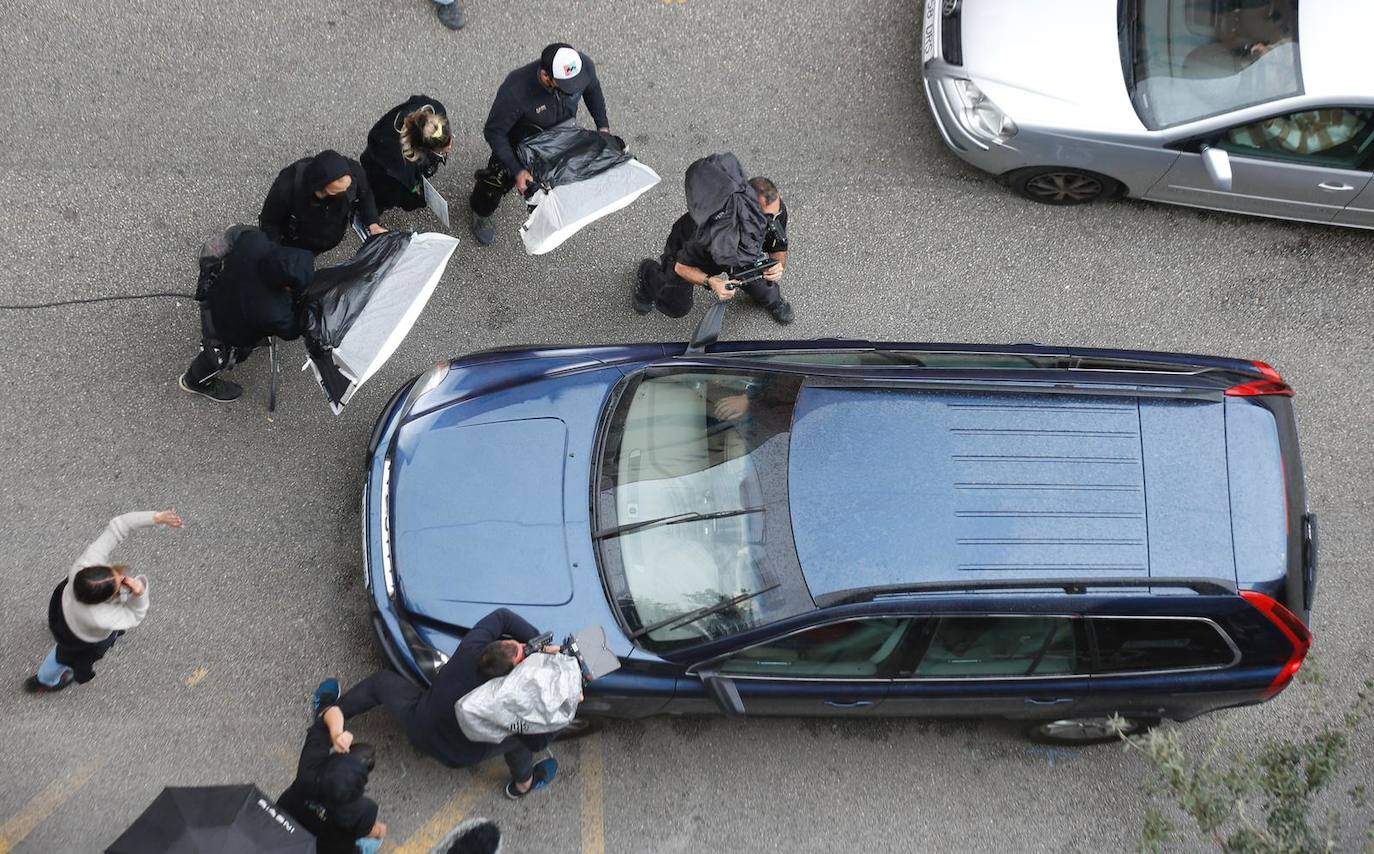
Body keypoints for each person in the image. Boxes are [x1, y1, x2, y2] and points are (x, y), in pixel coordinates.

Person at [327, 609, 561, 799]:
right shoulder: (510, 701)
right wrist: (543, 659)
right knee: (519, 744)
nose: (524, 648)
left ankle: (330, 713)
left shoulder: (471, 650)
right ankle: (523, 786)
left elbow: (502, 616)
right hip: (458, 755)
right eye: (523, 652)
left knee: (380, 683)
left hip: (419, 722)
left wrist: (532, 643)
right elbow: (539, 740)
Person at [25, 510, 185, 693]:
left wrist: (155, 517)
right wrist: (140, 591)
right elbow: (134, 614)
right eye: (120, 582)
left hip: (64, 607)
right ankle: (45, 681)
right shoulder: (101, 617)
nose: (124, 578)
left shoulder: (84, 564)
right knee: (62, 656)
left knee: (61, 646)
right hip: (81, 636)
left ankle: (46, 675)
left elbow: (119, 525)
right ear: (105, 599)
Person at [469, 43, 611, 245]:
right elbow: (494, 132)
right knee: (496, 181)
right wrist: (517, 170)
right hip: (520, 145)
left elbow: (592, 89)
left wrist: (602, 127)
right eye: (567, 87)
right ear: (546, 77)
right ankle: (480, 210)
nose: (574, 88)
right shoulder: (515, 90)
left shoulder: (581, 66)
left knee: (559, 179)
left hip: (560, 135)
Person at [634, 176, 794, 325]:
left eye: (775, 215)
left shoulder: (772, 211)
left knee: (763, 287)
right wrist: (711, 281)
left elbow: (778, 243)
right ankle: (647, 274)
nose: (772, 223)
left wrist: (777, 265)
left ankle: (772, 299)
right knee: (676, 307)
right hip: (694, 256)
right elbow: (681, 267)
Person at [179, 228, 314, 402]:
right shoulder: (275, 312)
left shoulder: (254, 241)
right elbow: (292, 331)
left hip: (214, 297)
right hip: (225, 331)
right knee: (216, 358)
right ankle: (195, 382)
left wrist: (205, 281)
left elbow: (218, 244)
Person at [277, 680, 387, 854]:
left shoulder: (309, 772)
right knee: (373, 842)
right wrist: (379, 830)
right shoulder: (362, 810)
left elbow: (330, 713)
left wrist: (336, 733)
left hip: (283, 823)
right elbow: (378, 831)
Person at [259, 150, 385, 255]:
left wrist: (373, 223)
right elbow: (269, 222)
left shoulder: (353, 173)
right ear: (322, 186)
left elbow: (365, 194)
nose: (346, 191)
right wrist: (277, 256)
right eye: (338, 191)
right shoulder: (287, 187)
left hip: (330, 236)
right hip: (298, 241)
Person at [360, 96, 454, 214]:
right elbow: (403, 200)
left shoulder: (431, 107)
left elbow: (414, 98)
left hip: (376, 143)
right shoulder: (401, 171)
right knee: (377, 198)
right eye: (441, 151)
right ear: (423, 149)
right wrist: (420, 200)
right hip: (380, 171)